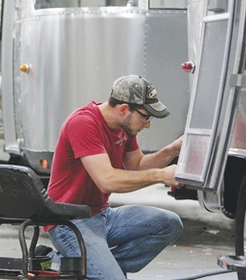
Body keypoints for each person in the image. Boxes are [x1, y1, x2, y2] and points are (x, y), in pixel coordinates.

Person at [45, 75, 184, 279]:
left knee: (170, 223)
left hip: (103, 216)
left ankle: (80, 266)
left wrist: (172, 150)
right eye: (145, 117)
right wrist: (160, 175)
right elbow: (107, 180)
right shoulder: (83, 123)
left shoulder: (123, 126)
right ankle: (67, 264)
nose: (147, 124)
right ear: (124, 109)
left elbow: (136, 165)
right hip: (69, 222)